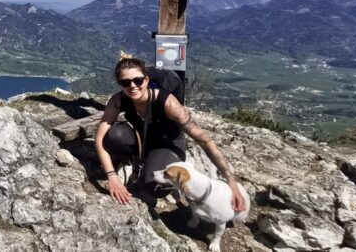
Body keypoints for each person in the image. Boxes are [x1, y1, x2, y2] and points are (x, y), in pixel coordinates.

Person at [95, 53, 246, 212]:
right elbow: (99, 137)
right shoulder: (118, 100)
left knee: (154, 187)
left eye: (138, 80)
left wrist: (231, 181)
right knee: (114, 135)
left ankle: (154, 169)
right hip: (142, 140)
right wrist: (111, 176)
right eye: (125, 82)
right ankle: (132, 164)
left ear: (146, 80)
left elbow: (204, 140)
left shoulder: (169, 104)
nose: (132, 86)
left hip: (167, 145)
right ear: (120, 84)